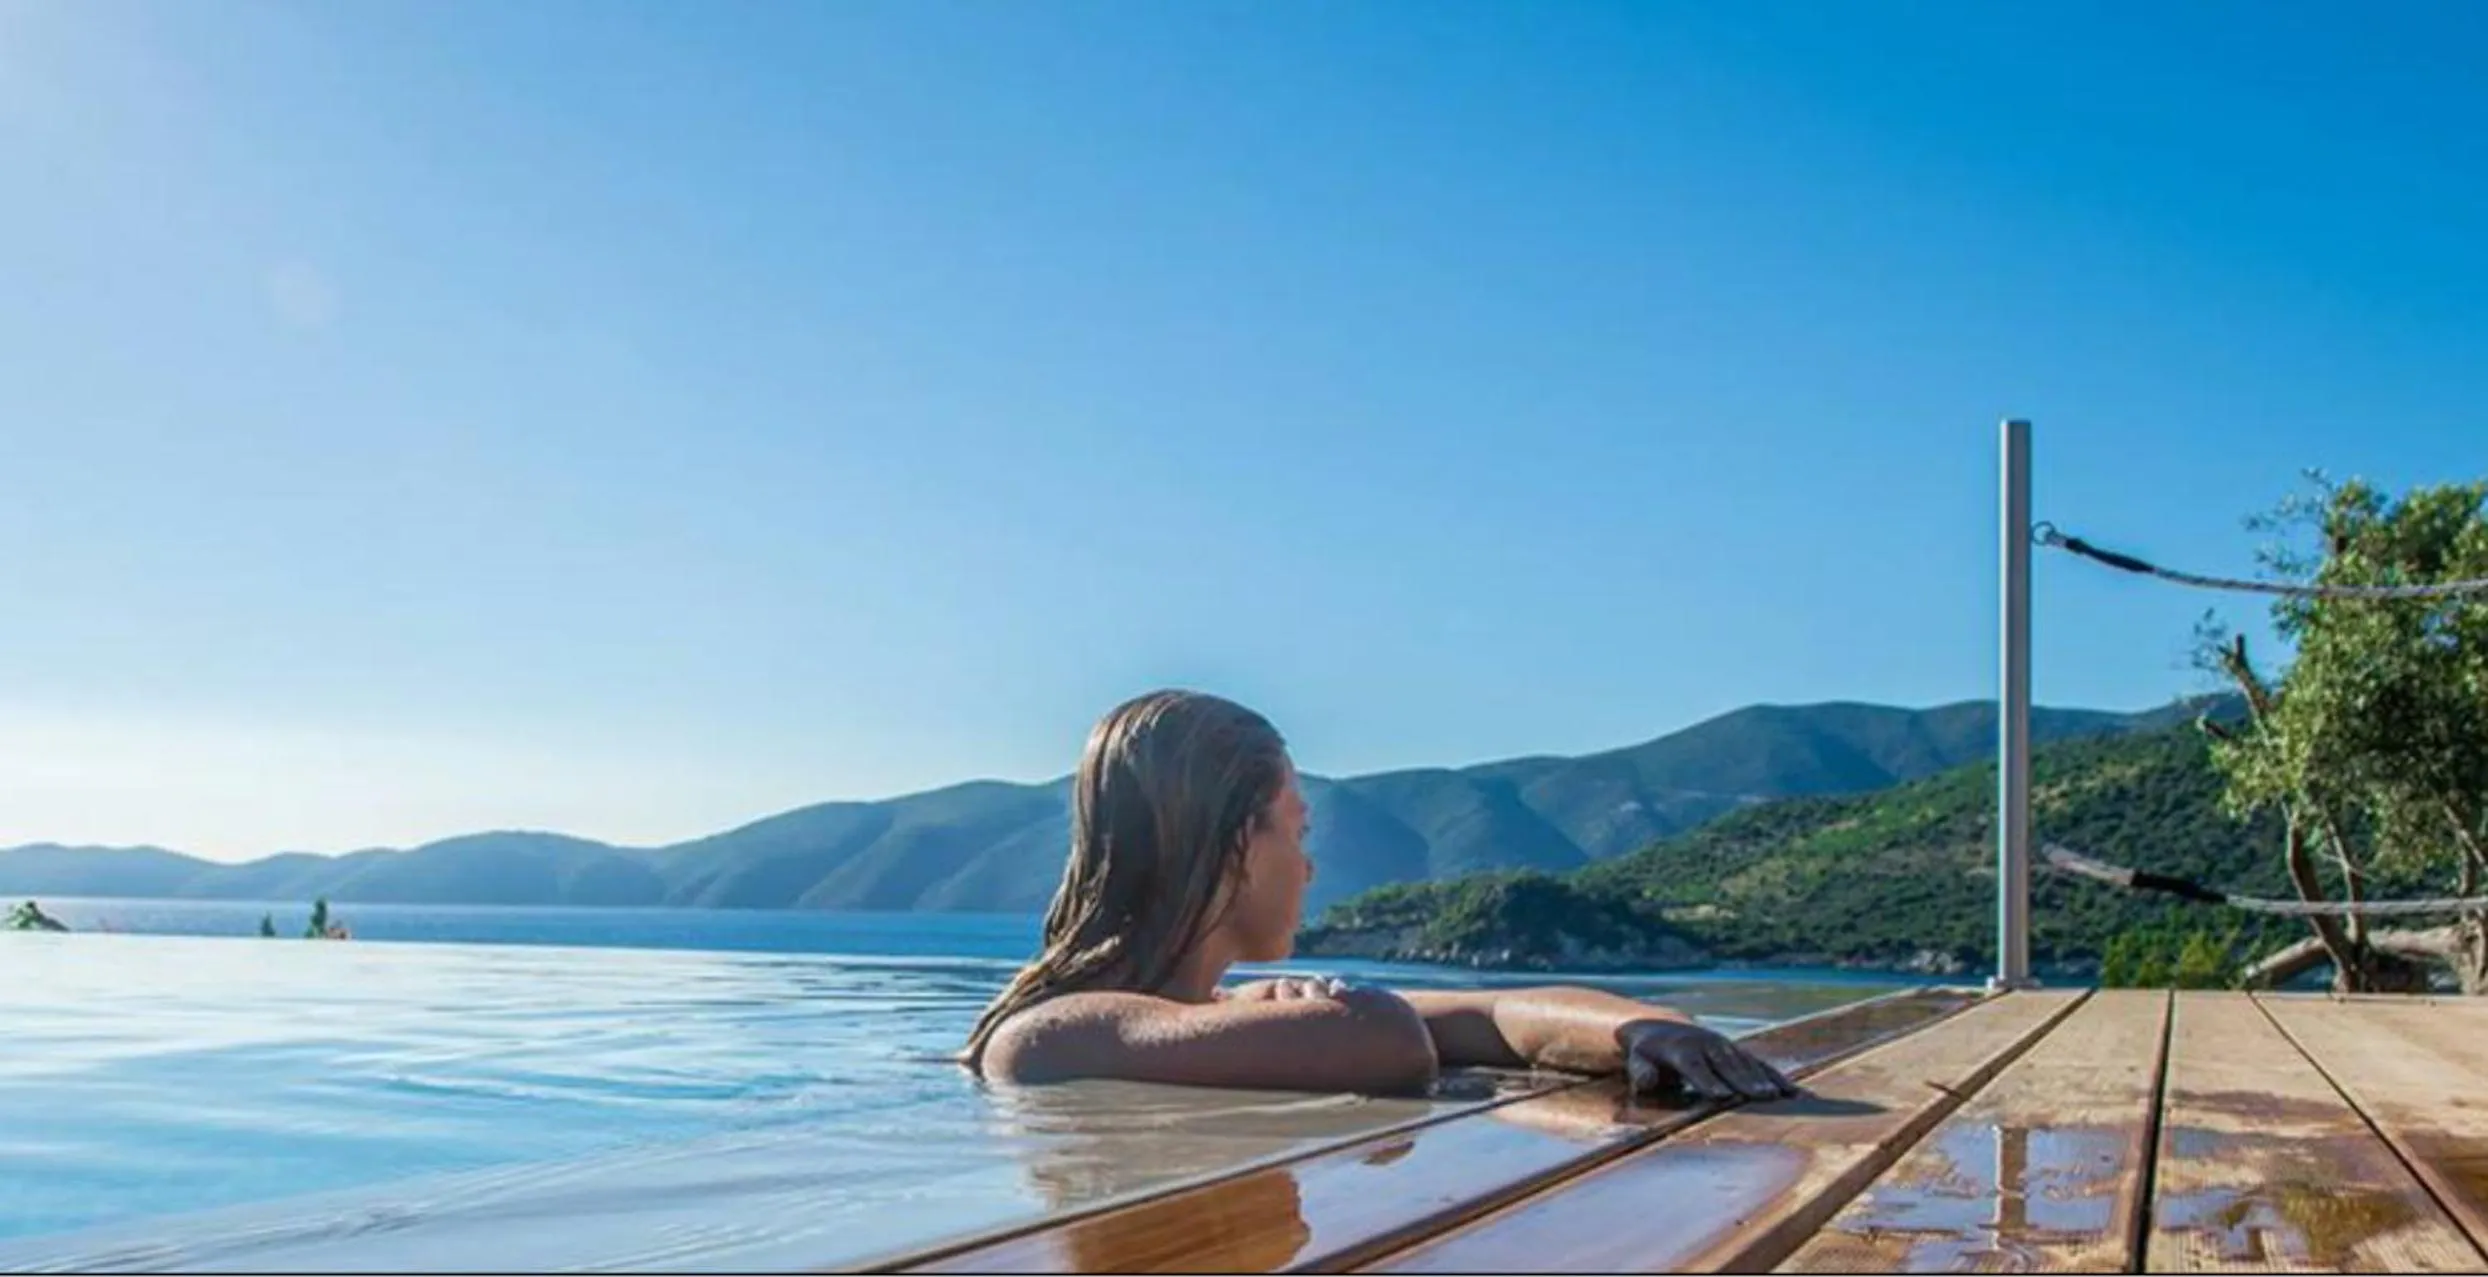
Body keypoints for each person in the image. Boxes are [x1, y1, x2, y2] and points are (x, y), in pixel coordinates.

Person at [963, 690, 1799, 1103]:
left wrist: (1646, 1030)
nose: (1311, 868)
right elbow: (1390, 1039)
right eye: (1299, 831)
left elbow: (1493, 1013)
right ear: (1234, 843)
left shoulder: (1219, 1007)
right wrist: (1314, 1014)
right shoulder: (1046, 1034)